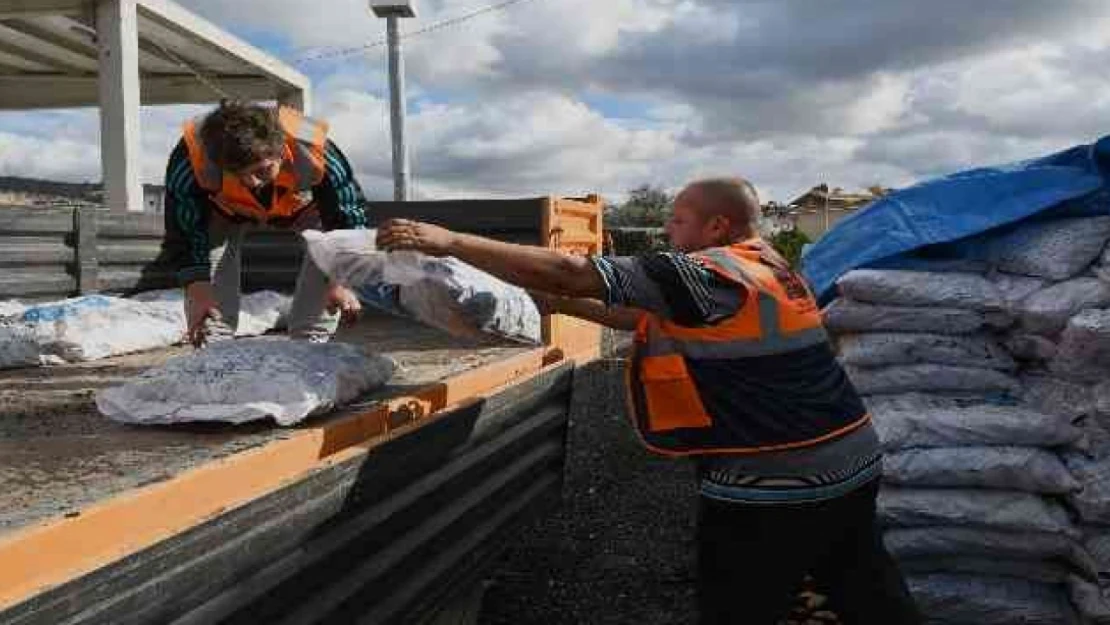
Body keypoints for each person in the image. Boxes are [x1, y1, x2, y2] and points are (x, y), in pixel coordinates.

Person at [376, 178, 920, 625]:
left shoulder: (706, 271)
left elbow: (571, 270)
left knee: (739, 604)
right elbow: (637, 315)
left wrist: (448, 240)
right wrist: (548, 302)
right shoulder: (767, 266)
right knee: (863, 582)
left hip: (774, 481)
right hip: (851, 457)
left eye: (678, 219)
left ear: (717, 226)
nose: (667, 228)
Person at [164, 100, 367, 346]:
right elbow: (184, 231)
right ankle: (214, 349)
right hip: (223, 212)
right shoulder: (191, 155)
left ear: (282, 150)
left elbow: (348, 217)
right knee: (208, 307)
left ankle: (310, 347)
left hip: (300, 207)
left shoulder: (314, 147)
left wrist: (340, 280)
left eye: (262, 170)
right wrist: (198, 288)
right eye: (237, 173)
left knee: (326, 252)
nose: (252, 183)